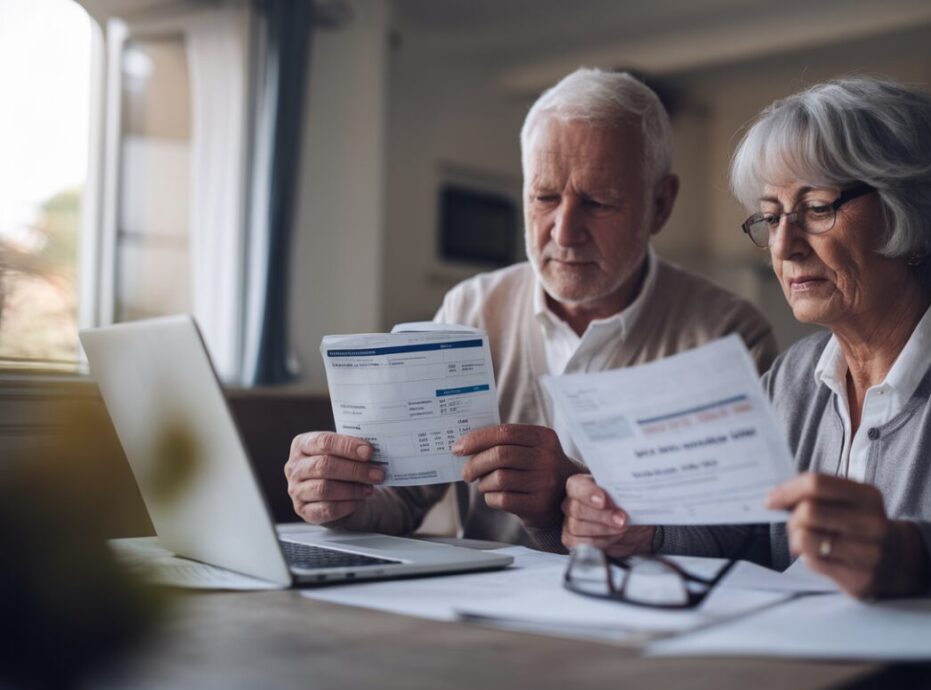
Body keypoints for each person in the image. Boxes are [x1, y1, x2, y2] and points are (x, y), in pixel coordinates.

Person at [561, 77, 931, 598]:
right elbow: (743, 538)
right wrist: (638, 530)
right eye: (770, 216)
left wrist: (906, 555)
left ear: (908, 209)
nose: (784, 246)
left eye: (819, 208)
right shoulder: (791, 378)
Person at [284, 68, 777, 551]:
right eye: (544, 197)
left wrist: (579, 501)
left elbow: (746, 538)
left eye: (598, 202)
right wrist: (341, 499)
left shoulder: (726, 335)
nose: (564, 232)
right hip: (484, 600)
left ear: (660, 205)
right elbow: (402, 498)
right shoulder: (470, 310)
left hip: (652, 601)